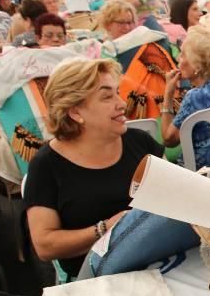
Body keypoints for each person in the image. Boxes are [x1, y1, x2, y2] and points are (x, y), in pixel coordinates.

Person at [25, 58, 164, 279]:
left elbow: (173, 194)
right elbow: (45, 246)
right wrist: (105, 229)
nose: (121, 103)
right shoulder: (47, 165)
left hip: (158, 263)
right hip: (94, 281)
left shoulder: (140, 142)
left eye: (117, 92)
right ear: (75, 112)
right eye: (107, 96)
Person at [159, 26, 210, 169]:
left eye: (183, 55)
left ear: (197, 65)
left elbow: (169, 139)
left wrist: (168, 94)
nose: (178, 58)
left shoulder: (194, 97)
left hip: (199, 172)